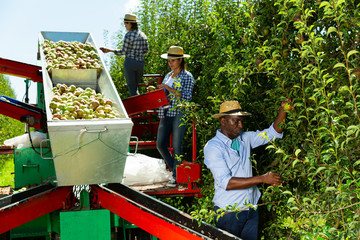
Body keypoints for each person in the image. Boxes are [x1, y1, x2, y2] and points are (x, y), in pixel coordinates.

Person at [204, 100, 290, 239]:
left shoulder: (244, 138)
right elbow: (226, 183)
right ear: (223, 121)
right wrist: (263, 178)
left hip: (250, 208)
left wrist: (283, 111)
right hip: (229, 213)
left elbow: (273, 132)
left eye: (242, 121)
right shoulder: (213, 147)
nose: (241, 125)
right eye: (236, 121)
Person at [157, 46, 195, 187]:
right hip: (166, 112)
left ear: (180, 60)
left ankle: (176, 176)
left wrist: (167, 88)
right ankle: (175, 170)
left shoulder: (187, 76)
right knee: (160, 144)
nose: (170, 63)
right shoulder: (168, 75)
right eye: (169, 61)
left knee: (176, 146)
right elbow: (166, 95)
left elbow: (186, 97)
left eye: (173, 60)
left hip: (179, 112)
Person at [100, 13, 149, 96]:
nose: (125, 26)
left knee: (131, 88)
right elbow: (146, 50)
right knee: (135, 88)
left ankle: (136, 106)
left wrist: (109, 50)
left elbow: (123, 51)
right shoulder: (143, 35)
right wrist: (138, 52)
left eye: (125, 23)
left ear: (130, 23)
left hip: (130, 63)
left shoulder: (128, 35)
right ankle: (140, 104)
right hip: (140, 63)